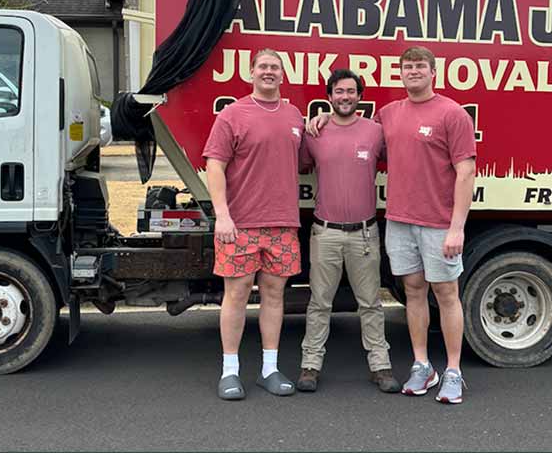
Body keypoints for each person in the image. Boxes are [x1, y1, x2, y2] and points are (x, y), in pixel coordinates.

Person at [309, 46, 476, 404]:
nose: (413, 71)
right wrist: (322, 118)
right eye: (407, 67)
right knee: (413, 292)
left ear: (433, 71)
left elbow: (466, 172)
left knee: (446, 295)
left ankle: (453, 371)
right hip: (399, 221)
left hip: (437, 223)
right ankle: (421, 366)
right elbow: (354, 133)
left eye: (420, 66)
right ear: (399, 73)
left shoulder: (453, 113)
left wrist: (457, 227)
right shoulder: (389, 114)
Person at [204, 48, 304, 401]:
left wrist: (319, 124)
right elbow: (214, 165)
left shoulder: (294, 115)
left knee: (275, 295)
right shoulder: (232, 115)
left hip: (283, 224)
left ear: (282, 74)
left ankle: (269, 369)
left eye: (275, 67)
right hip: (240, 224)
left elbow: (305, 157)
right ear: (251, 73)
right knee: (237, 293)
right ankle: (230, 371)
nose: (269, 72)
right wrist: (223, 215)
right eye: (263, 66)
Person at [296, 69, 400, 394]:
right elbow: (297, 164)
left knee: (370, 302)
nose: (345, 97)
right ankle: (310, 365)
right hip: (324, 232)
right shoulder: (315, 132)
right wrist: (311, 122)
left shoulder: (374, 132)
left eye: (351, 91)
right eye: (339, 91)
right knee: (319, 303)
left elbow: (403, 159)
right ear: (329, 96)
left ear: (360, 96)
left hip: (364, 234)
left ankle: (380, 365)